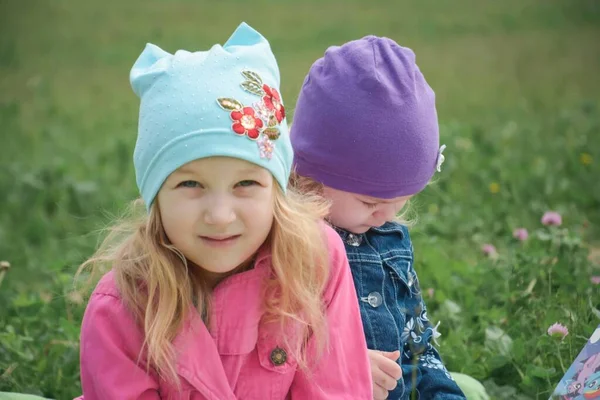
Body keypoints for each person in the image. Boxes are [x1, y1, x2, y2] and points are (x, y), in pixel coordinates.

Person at [75, 22, 372, 399]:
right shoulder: (122, 307)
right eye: (190, 184)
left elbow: (335, 390)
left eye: (245, 184)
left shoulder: (315, 261)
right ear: (155, 197)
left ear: (276, 191)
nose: (219, 215)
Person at [290, 35, 470, 399]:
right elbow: (268, 355)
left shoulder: (390, 239)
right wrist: (339, 365)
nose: (386, 216)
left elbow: (417, 344)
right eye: (370, 202)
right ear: (309, 177)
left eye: (401, 201)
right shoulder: (287, 245)